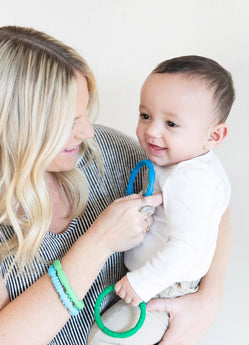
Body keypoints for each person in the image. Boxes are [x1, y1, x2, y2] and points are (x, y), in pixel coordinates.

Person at [0, 26, 231, 345]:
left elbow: (206, 201)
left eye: (84, 115)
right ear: (15, 124)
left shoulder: (106, 152)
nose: (87, 132)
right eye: (70, 121)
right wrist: (99, 241)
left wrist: (209, 298)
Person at [87, 55, 235, 345]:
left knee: (106, 340)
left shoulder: (190, 180)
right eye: (145, 116)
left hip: (164, 290)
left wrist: (142, 283)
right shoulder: (191, 165)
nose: (152, 131)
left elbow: (189, 248)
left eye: (171, 123)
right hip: (158, 283)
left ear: (213, 135)